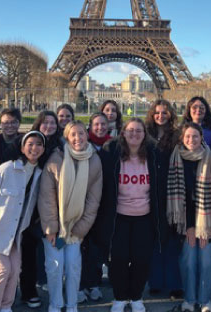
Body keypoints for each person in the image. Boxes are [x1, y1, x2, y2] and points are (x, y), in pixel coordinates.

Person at [0, 130, 47, 312]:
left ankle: (6, 307)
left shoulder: (39, 174)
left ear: (43, 149)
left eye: (38, 144)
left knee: (14, 271)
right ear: (22, 147)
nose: (34, 148)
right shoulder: (8, 168)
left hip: (15, 234)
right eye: (30, 144)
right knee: (1, 270)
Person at [95, 117, 165, 312]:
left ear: (145, 135)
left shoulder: (154, 154)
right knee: (118, 258)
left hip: (145, 216)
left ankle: (135, 296)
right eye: (130, 130)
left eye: (139, 131)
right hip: (119, 216)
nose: (134, 134)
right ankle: (119, 296)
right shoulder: (110, 153)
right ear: (123, 133)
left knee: (141, 259)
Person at [38, 121, 103, 312]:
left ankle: (72, 304)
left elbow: (93, 200)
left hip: (76, 226)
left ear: (87, 135)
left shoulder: (94, 160)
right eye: (73, 134)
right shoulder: (55, 159)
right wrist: (51, 227)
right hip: (55, 226)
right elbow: (46, 197)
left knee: (74, 267)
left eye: (81, 134)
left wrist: (81, 228)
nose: (78, 138)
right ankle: (56, 304)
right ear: (67, 137)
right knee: (55, 267)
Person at [167, 122, 211, 312]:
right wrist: (189, 226)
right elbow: (179, 198)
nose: (191, 140)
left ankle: (205, 300)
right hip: (185, 223)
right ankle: (189, 299)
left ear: (201, 138)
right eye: (187, 137)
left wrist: (209, 227)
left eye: (195, 136)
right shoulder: (175, 158)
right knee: (189, 259)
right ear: (182, 138)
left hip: (209, 221)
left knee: (206, 260)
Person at [19, 111, 62, 309]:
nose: (49, 126)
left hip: (50, 209)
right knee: (27, 254)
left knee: (51, 255)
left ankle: (55, 291)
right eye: (45, 122)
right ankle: (28, 290)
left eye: (53, 122)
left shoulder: (61, 147)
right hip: (27, 209)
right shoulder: (28, 143)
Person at [144, 99, 183, 299]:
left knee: (172, 238)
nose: (160, 116)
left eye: (164, 112)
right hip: (150, 191)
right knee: (154, 238)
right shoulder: (145, 135)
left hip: (171, 191)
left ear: (170, 114)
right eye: (157, 112)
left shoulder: (177, 136)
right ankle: (156, 281)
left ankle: (174, 282)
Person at [77, 113, 112, 303]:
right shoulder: (81, 144)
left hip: (104, 202)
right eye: (96, 124)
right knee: (81, 246)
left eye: (103, 124)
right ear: (90, 126)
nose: (100, 127)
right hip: (82, 203)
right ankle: (81, 284)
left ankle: (94, 283)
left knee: (97, 247)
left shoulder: (113, 145)